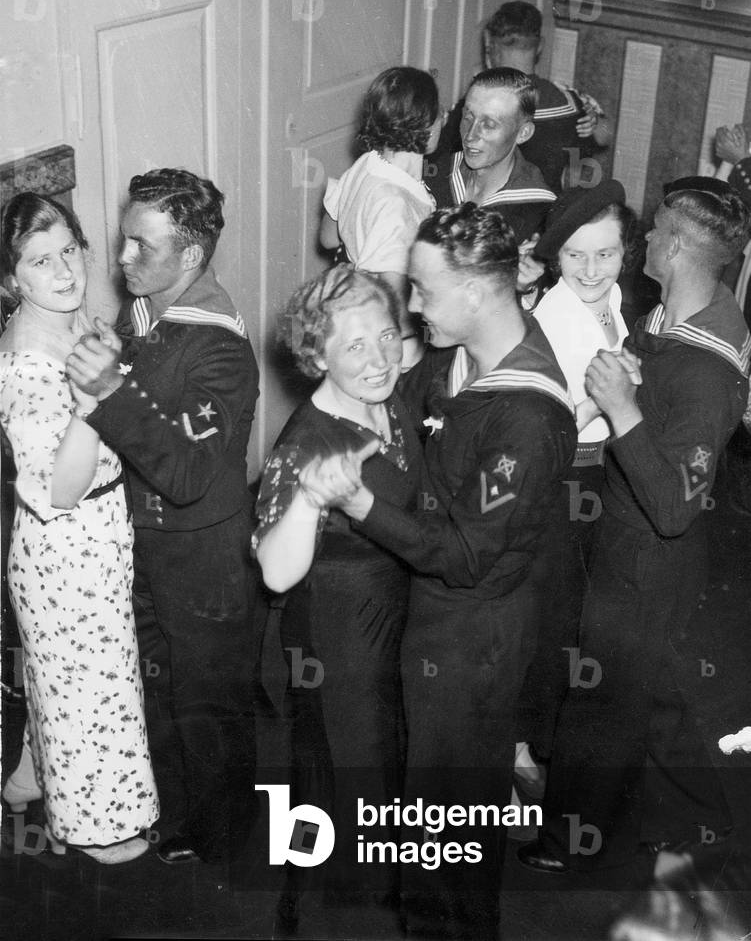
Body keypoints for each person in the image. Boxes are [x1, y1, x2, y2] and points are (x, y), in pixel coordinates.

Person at [303, 203, 578, 939]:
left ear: (479, 292)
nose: (412, 308)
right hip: (427, 624)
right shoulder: (461, 359)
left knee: (449, 839)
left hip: (471, 643)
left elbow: (462, 554)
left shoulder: (526, 418)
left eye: (423, 291)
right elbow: (410, 409)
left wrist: (357, 500)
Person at [518, 180, 751, 875]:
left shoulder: (702, 365)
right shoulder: (674, 316)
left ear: (676, 246)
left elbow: (675, 504)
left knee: (600, 704)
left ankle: (566, 844)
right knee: (659, 692)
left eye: (652, 231)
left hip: (647, 555)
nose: (642, 239)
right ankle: (697, 821)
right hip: (630, 541)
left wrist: (621, 407)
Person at [65, 168, 261, 866]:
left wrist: (112, 387)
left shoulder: (220, 348)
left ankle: (223, 837)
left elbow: (184, 473)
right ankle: (177, 814)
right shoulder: (148, 312)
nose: (120, 260)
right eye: (123, 241)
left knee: (207, 703)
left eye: (139, 247)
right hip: (144, 544)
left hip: (203, 556)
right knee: (158, 689)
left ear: (190, 257)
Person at [253, 265, 421, 923]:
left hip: (390, 618)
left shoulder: (384, 393)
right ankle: (320, 910)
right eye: (355, 345)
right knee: (337, 777)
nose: (380, 357)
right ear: (317, 353)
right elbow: (273, 571)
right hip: (336, 639)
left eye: (387, 336)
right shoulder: (305, 443)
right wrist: (308, 500)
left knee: (378, 770)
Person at [0, 191, 158, 863]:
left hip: (97, 533)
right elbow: (60, 488)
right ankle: (95, 826)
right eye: (41, 261)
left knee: (62, 677)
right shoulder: (22, 366)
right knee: (90, 689)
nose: (64, 270)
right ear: (12, 280)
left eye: (69, 249)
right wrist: (94, 403)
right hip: (65, 545)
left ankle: (26, 777)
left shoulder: (69, 320)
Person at [515, 179, 636, 788]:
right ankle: (522, 746)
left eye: (607, 254)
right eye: (576, 255)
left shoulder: (614, 304)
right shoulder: (548, 324)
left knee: (583, 614)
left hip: (602, 472)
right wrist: (601, 399)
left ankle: (552, 734)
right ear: (555, 257)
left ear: (625, 254)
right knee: (553, 614)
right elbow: (541, 431)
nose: (592, 270)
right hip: (563, 476)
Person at [321, 66, 442, 369]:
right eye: (440, 114)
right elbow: (396, 302)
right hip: (395, 348)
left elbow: (327, 237)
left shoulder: (367, 164)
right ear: (426, 127)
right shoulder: (397, 205)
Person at [437, 0, 613, 193]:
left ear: (490, 44)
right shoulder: (568, 101)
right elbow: (605, 135)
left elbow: (439, 151)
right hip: (545, 215)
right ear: (539, 46)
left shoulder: (477, 103)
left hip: (485, 213)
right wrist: (596, 122)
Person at [424, 69, 556, 252]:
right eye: (468, 118)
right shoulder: (433, 176)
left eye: (489, 125)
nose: (471, 136)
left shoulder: (538, 212)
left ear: (523, 133)